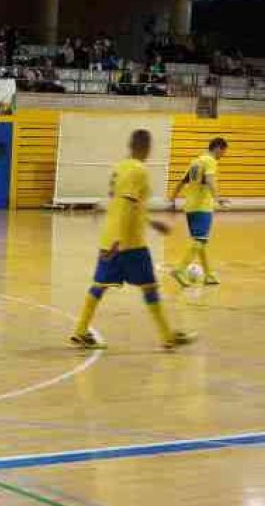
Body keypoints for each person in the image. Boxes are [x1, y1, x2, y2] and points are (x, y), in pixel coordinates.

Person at [70, 129, 197, 350]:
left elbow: (125, 204)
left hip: (110, 238)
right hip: (130, 243)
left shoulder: (120, 167)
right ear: (146, 147)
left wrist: (150, 223)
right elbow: (126, 205)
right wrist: (119, 240)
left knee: (99, 285)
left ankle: (80, 331)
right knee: (149, 288)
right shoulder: (139, 170)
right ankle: (167, 337)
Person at [170, 137, 229, 286]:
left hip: (190, 207)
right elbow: (209, 180)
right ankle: (180, 269)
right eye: (223, 151)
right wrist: (218, 198)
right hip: (202, 206)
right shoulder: (210, 161)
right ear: (217, 148)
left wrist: (173, 196)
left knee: (200, 241)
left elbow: (183, 181)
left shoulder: (196, 161)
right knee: (200, 240)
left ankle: (209, 275)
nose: (223, 155)